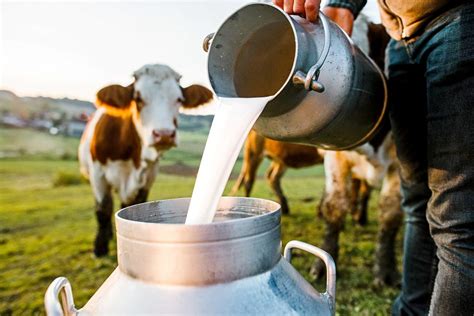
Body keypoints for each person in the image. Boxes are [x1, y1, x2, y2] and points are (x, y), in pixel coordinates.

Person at [273, 0, 474, 315]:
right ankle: (410, 310)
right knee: (417, 201)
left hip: (458, 22)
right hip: (400, 40)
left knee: (457, 216)